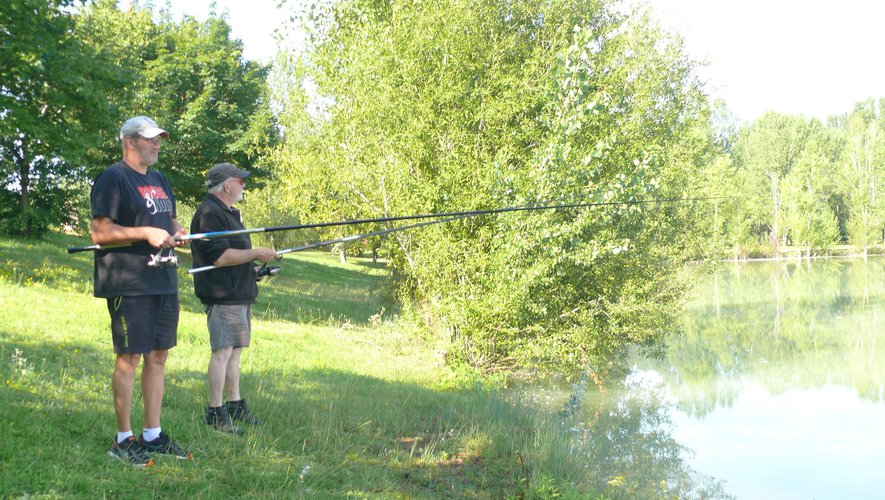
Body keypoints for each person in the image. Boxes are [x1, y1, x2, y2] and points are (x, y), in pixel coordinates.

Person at [91, 116, 191, 466]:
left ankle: (152, 434)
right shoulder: (112, 178)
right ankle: (123, 438)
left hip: (163, 279)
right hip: (128, 282)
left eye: (159, 138)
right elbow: (100, 233)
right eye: (150, 139)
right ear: (129, 142)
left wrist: (178, 234)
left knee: (159, 355)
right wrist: (145, 232)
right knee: (129, 357)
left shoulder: (161, 180)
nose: (157, 144)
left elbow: (171, 220)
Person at [190, 163, 278, 434]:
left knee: (235, 352)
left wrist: (253, 270)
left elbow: (235, 256)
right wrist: (256, 253)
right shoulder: (209, 213)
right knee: (223, 351)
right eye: (240, 181)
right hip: (223, 294)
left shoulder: (229, 213)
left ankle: (235, 404)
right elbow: (220, 257)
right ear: (226, 185)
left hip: (239, 291)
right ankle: (215, 411)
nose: (243, 185)